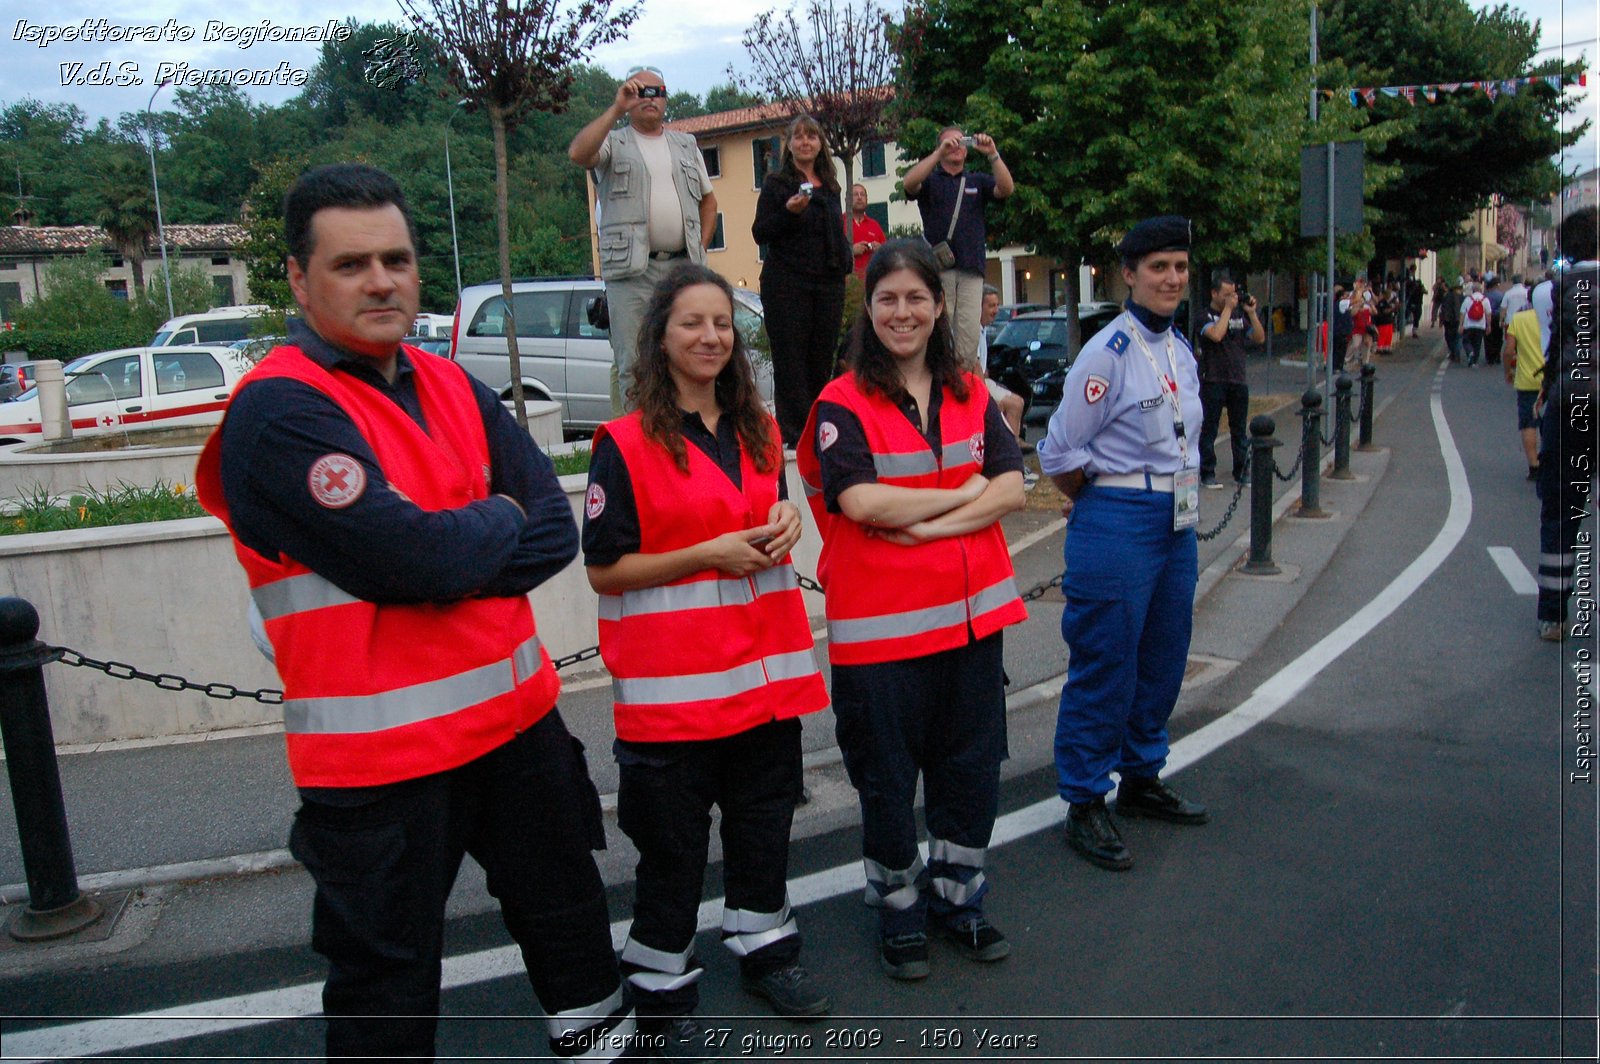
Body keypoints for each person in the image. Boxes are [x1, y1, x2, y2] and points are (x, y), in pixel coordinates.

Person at [195, 164, 634, 1062]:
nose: (381, 280)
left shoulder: (450, 382)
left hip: (516, 731)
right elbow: (408, 558)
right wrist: (482, 525)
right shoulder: (278, 412)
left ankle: (605, 1047)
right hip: (379, 769)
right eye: (351, 264)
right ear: (296, 277)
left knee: (571, 923)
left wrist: (455, 543)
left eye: (396, 258)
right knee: (385, 982)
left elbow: (551, 526)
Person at [583, 264, 833, 1053]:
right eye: (691, 323)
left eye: (721, 323)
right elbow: (603, 568)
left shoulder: (758, 432)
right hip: (673, 700)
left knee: (763, 834)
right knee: (674, 854)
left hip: (763, 686)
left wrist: (787, 517)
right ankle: (659, 982)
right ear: (660, 337)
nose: (710, 337)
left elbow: (766, 515)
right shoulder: (622, 443)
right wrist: (703, 554)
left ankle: (765, 947)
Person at [797, 239, 1027, 980]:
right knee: (889, 783)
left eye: (916, 298)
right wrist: (968, 495)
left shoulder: (968, 390)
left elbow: (1013, 486)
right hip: (883, 641)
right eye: (888, 298)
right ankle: (899, 911)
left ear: (937, 305)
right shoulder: (841, 403)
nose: (903, 312)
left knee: (969, 775)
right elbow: (859, 500)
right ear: (869, 308)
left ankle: (960, 900)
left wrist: (932, 515)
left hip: (969, 628)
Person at [1037, 215, 1209, 874]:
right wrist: (1100, 501)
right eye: (1158, 267)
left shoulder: (1179, 349)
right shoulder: (1105, 353)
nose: (1171, 278)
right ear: (1130, 274)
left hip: (1177, 515)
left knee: (1164, 654)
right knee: (1106, 659)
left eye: (1179, 267)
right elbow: (1058, 450)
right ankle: (1084, 797)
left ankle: (1141, 774)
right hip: (1117, 512)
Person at [569, 65, 718, 414]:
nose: (650, 99)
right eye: (640, 91)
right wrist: (617, 109)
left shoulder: (685, 144)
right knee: (635, 364)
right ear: (628, 96)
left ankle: (684, 435)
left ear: (666, 98)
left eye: (657, 91)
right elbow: (578, 153)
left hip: (683, 270)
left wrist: (700, 248)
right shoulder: (614, 141)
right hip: (631, 272)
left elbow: (709, 201)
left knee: (686, 357)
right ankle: (637, 448)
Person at [752, 114, 853, 447]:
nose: (806, 141)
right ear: (790, 143)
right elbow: (760, 232)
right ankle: (795, 438)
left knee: (821, 358)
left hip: (827, 282)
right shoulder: (777, 184)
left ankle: (820, 428)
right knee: (791, 360)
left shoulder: (831, 184)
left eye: (812, 136)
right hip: (787, 283)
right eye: (799, 136)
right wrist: (788, 213)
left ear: (820, 142)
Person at [1536, 206, 1599, 641]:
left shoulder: (1563, 285)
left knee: (1561, 508)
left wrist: (1546, 387)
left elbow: (1560, 345)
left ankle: (1554, 617)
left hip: (1571, 399)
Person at [902, 126, 1014, 368]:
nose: (956, 148)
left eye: (960, 143)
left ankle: (961, 382)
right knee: (937, 330)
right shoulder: (931, 181)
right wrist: (937, 154)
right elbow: (909, 183)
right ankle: (936, 378)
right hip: (940, 269)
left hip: (971, 268)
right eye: (949, 144)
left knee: (968, 336)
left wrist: (992, 153)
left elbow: (1006, 189)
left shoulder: (976, 180)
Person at [1197, 270, 1263, 489]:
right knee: (1210, 428)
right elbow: (1215, 335)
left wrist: (1251, 313)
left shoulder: (1238, 316)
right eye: (1226, 294)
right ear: (1214, 293)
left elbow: (1259, 338)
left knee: (1239, 429)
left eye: (1233, 294)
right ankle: (1207, 471)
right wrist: (1227, 309)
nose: (1231, 298)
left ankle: (1241, 470)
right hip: (1213, 378)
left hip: (1237, 378)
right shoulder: (1204, 316)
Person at [977, 284, 1027, 444]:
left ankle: (1014, 443)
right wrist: (987, 399)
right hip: (977, 385)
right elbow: (975, 369)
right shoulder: (973, 332)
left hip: (983, 381)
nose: (996, 310)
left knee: (1018, 401)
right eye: (991, 305)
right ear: (979, 306)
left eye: (997, 305)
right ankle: (1010, 453)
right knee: (1014, 405)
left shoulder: (982, 330)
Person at [1502, 303, 1544, 481]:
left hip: (1527, 380)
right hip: (1554, 379)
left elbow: (1509, 351)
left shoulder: (1519, 319)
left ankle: (1534, 466)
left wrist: (1508, 372)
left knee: (1529, 423)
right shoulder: (1554, 317)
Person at [848, 183, 886, 280]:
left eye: (862, 194)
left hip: (872, 281)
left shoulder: (875, 225)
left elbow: (887, 253)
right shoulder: (839, 222)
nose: (859, 197)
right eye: (855, 194)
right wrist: (850, 251)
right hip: (848, 284)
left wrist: (880, 249)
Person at [1461, 282, 1491, 366]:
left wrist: (1461, 325)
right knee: (1477, 343)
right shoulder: (1485, 299)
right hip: (1480, 325)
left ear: (1472, 290)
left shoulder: (1468, 299)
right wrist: (1489, 325)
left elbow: (1462, 312)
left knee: (1466, 341)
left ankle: (1470, 352)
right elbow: (1488, 313)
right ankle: (1474, 362)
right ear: (1481, 290)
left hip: (1468, 324)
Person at [1483, 274, 1505, 365]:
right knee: (1498, 337)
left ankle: (1489, 357)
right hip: (1497, 317)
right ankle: (1497, 355)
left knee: (1488, 338)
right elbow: (1502, 308)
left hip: (1487, 317)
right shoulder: (1501, 295)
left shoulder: (1485, 295)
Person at [1441, 282, 1463, 362]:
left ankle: (1454, 353)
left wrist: (1443, 320)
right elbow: (1457, 309)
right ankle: (1456, 353)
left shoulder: (1447, 296)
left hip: (1448, 321)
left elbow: (1443, 309)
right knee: (1457, 338)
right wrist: (1460, 320)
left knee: (1450, 337)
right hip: (1455, 320)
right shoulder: (1459, 297)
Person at [1405, 269, 1425, 336]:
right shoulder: (1413, 288)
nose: (1417, 285)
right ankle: (1404, 324)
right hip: (1412, 303)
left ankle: (1414, 331)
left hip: (1418, 304)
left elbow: (1425, 291)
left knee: (1417, 317)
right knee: (1407, 314)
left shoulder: (1421, 289)